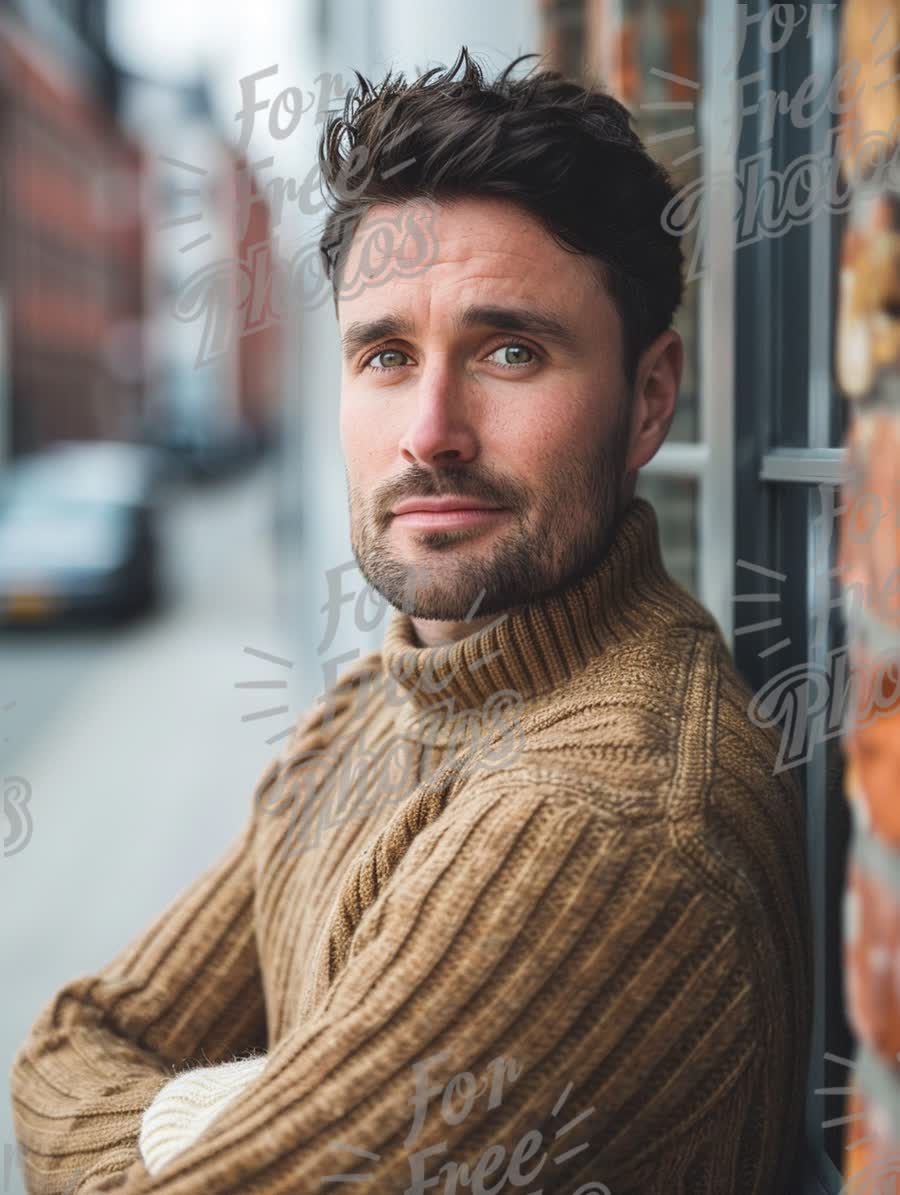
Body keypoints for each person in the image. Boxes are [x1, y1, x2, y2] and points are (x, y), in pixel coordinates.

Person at [10, 47, 813, 1194]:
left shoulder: (607, 819)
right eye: (386, 354)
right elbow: (64, 1043)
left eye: (510, 351)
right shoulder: (373, 708)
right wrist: (223, 1113)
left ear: (648, 397)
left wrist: (233, 1112)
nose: (429, 429)